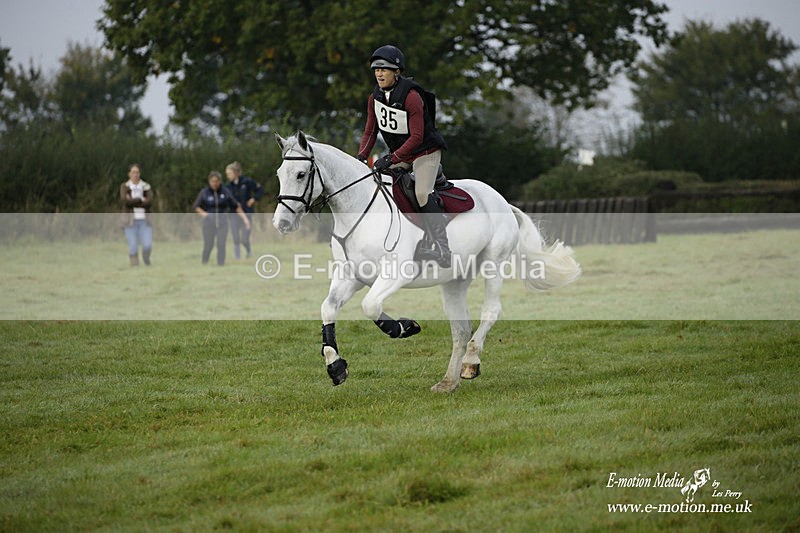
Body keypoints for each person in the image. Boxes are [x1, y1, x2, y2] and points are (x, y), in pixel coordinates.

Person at [357, 44, 451, 268]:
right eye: (376, 69)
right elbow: (371, 131)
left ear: (396, 72)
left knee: (421, 192)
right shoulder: (375, 98)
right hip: (402, 154)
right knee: (380, 186)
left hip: (424, 152)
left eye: (385, 69)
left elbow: (417, 137)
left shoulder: (411, 97)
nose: (379, 73)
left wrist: (391, 158)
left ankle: (442, 247)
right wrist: (361, 157)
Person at [192, 171, 250, 266]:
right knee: (208, 245)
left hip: (222, 223)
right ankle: (204, 262)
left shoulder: (225, 192)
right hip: (208, 224)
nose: (214, 183)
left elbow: (236, 206)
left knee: (221, 245)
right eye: (212, 181)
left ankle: (221, 265)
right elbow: (196, 207)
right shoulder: (204, 193)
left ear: (220, 181)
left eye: (216, 181)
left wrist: (245, 219)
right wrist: (205, 214)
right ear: (209, 182)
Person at [225, 161, 264, 259]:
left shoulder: (247, 182)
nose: (228, 176)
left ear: (235, 173)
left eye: (229, 174)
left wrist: (253, 199)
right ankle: (237, 257)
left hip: (247, 213)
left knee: (245, 238)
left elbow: (260, 190)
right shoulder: (227, 187)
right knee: (235, 236)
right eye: (227, 174)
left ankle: (248, 252)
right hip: (234, 214)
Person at [120, 163, 153, 266]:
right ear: (129, 174)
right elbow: (125, 201)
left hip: (144, 220)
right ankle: (135, 268)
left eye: (137, 172)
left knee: (147, 245)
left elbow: (149, 202)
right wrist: (140, 199)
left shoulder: (146, 186)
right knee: (133, 246)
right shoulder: (125, 186)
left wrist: (133, 201)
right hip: (130, 221)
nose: (135, 174)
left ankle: (146, 258)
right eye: (133, 172)